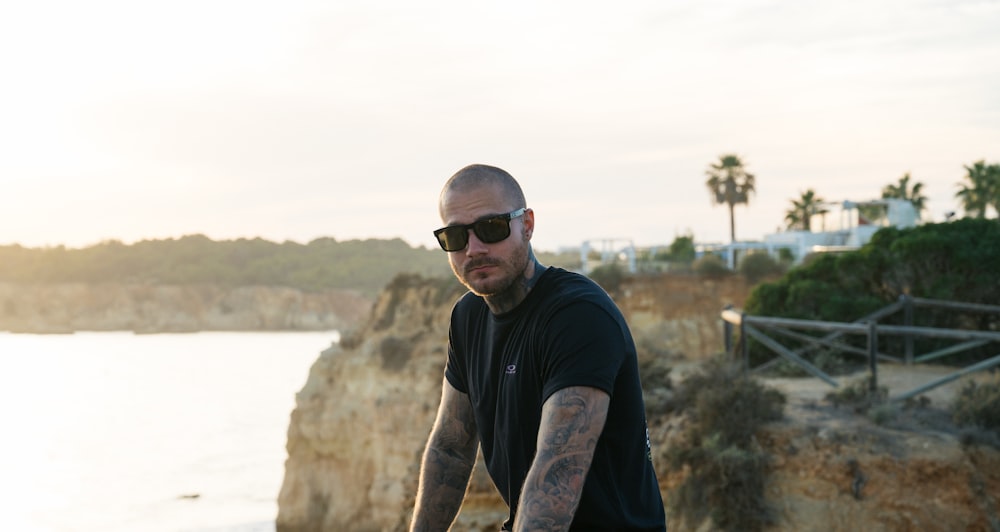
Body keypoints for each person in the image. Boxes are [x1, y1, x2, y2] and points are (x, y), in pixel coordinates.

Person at [410, 164, 666, 531]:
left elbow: (556, 473)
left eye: (491, 228)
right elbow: (450, 449)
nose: (474, 249)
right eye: (455, 236)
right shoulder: (468, 317)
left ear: (527, 225)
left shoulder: (578, 316)